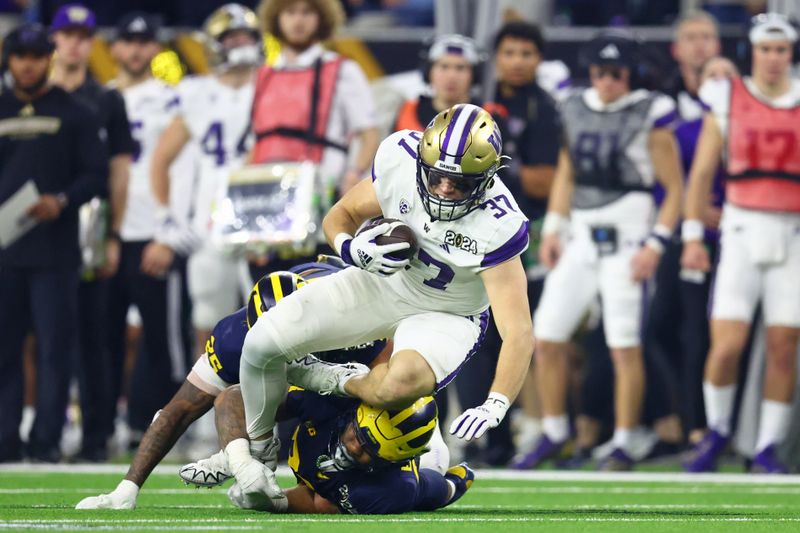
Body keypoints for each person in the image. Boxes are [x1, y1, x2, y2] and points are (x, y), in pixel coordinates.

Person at [235, 102, 534, 503]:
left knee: (399, 384)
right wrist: (350, 248)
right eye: (437, 177)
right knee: (259, 344)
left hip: (447, 312)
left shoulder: (500, 223)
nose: (445, 189)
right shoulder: (399, 157)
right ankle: (258, 454)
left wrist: (496, 403)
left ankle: (327, 378)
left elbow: (518, 331)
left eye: (461, 184)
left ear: (488, 178)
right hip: (382, 284)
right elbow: (340, 214)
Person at [76, 261, 382, 510]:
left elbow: (396, 371)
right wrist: (127, 488)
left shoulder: (350, 318)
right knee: (230, 399)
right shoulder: (233, 338)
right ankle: (245, 462)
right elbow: (178, 411)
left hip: (347, 367)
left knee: (372, 421)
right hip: (306, 371)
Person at [530, 32, 683, 471]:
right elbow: (567, 171)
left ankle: (624, 438)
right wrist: (555, 227)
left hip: (630, 235)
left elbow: (673, 188)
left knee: (624, 345)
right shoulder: (574, 104)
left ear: (630, 73)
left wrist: (657, 243)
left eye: (616, 73)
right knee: (547, 335)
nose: (608, 81)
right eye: (600, 71)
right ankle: (555, 431)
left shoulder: (650, 111)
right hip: (581, 232)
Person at [682, 14, 800, 474]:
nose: (773, 58)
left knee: (784, 344)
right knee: (726, 345)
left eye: (781, 50)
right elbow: (702, 173)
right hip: (741, 228)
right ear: (753, 50)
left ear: (790, 53)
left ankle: (768, 445)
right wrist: (693, 235)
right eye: (766, 49)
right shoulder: (727, 95)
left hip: (792, 231)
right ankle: (718, 429)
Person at [0, 23, 106, 462]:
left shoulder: (76, 111)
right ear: (9, 60)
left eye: (36, 55)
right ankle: (5, 441)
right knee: (4, 349)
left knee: (54, 349)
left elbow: (95, 176)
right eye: (20, 55)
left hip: (55, 252)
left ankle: (46, 440)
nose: (28, 64)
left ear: (49, 59)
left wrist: (61, 201)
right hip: (4, 252)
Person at [48, 2, 135, 462]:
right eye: (68, 34)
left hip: (89, 227)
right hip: (36, 228)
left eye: (84, 36)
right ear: (54, 39)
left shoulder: (106, 100)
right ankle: (44, 427)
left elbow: (120, 172)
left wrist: (113, 235)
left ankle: (96, 433)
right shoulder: (32, 95)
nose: (76, 43)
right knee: (42, 332)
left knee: (93, 332)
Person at [150, 3, 260, 354]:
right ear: (215, 44)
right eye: (232, 37)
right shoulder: (196, 92)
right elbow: (161, 159)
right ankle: (210, 405)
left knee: (272, 318)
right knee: (208, 317)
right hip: (210, 220)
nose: (240, 43)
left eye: (246, 36)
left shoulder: (273, 83)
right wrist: (169, 218)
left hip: (263, 213)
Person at [106, 12, 193, 444]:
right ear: (115, 47)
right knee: (103, 333)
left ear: (155, 48)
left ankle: (159, 422)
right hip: (108, 233)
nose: (136, 49)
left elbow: (183, 168)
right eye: (128, 41)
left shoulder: (174, 99)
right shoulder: (99, 97)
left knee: (162, 335)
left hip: (153, 229)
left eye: (144, 41)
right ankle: (106, 422)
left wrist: (168, 231)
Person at [200, 386, 473, 514]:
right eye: (357, 433)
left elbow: (318, 502)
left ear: (386, 461)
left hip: (424, 461)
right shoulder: (332, 399)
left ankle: (456, 482)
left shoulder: (392, 488)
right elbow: (235, 397)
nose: (352, 447)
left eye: (368, 449)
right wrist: (239, 458)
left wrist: (273, 501)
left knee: (432, 487)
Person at [485, 20, 563, 467]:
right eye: (509, 52)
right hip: (481, 232)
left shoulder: (545, 108)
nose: (517, 61)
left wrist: (494, 171)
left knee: (525, 330)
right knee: (486, 335)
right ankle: (497, 433)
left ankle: (536, 423)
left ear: (539, 59)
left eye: (526, 53)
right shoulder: (481, 103)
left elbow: (548, 178)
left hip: (529, 229)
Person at [393, 34, 483, 132]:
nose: (451, 76)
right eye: (444, 67)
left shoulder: (488, 117)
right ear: (428, 72)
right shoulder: (408, 111)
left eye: (460, 68)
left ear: (474, 75)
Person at [665, 11, 722, 122]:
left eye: (706, 37)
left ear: (718, 47)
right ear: (675, 50)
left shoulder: (732, 95)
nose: (699, 44)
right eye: (691, 38)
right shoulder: (664, 99)